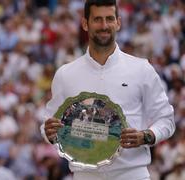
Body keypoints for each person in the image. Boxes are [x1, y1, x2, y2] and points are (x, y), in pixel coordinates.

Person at [41, 0, 175, 180]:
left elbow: (166, 119)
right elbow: (48, 124)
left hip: (132, 175)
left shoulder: (142, 69)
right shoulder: (65, 74)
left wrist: (146, 136)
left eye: (109, 19)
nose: (104, 26)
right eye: (97, 19)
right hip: (84, 175)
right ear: (85, 24)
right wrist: (49, 132)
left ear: (118, 22)